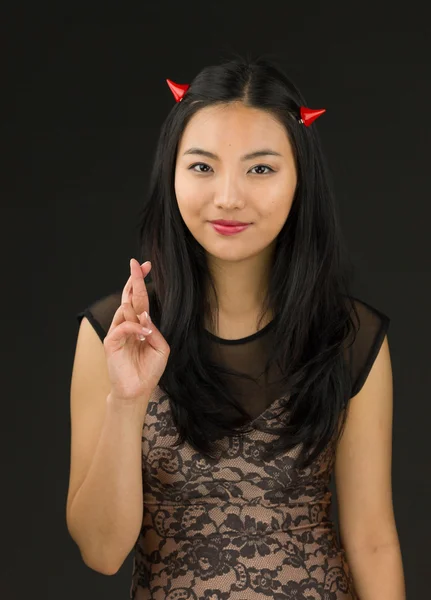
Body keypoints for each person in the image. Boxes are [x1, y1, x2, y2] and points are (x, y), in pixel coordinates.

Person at [67, 55, 405, 599]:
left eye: (261, 168)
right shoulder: (115, 333)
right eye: (202, 166)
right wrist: (127, 403)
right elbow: (102, 554)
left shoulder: (349, 335)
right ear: (171, 172)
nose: (228, 196)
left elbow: (372, 541)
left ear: (300, 179)